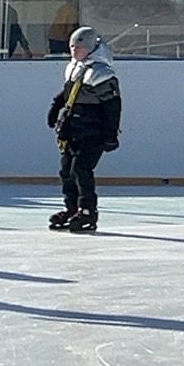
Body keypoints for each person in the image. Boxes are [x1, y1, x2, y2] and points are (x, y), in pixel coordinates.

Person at [47, 26, 122, 233]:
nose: (74, 50)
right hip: (73, 129)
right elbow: (67, 92)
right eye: (72, 47)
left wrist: (111, 134)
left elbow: (113, 106)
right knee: (66, 170)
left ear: (91, 48)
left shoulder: (102, 73)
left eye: (79, 47)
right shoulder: (75, 68)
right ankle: (72, 209)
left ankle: (88, 211)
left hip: (93, 131)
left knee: (81, 169)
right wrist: (56, 108)